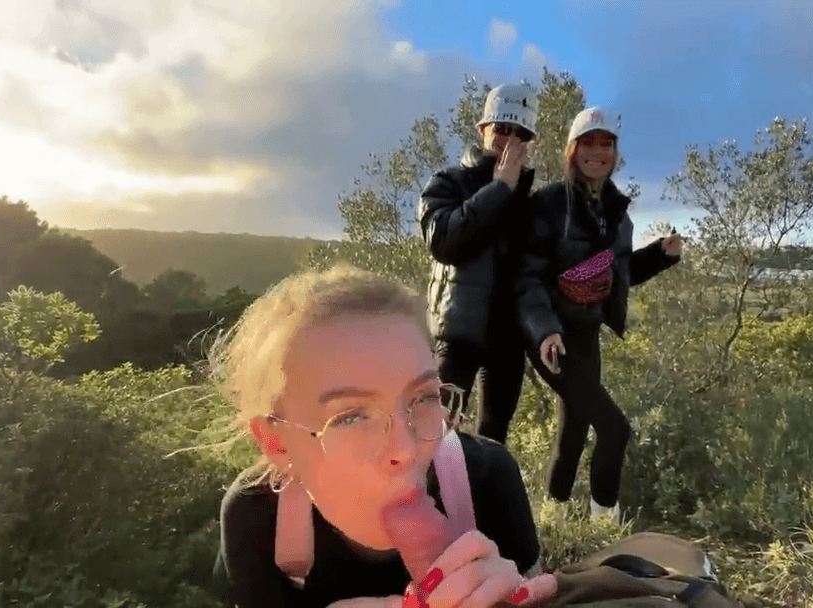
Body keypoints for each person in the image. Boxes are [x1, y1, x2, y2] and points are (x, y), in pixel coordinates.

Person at [211, 266, 556, 608]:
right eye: (352, 417)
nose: (405, 450)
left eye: (423, 397)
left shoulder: (488, 478)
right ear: (276, 442)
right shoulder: (255, 518)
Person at [515, 107, 683, 520]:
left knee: (574, 427)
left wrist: (659, 255)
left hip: (586, 333)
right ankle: (603, 525)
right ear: (572, 150)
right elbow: (528, 279)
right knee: (615, 428)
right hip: (553, 337)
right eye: (588, 142)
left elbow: (618, 274)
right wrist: (543, 331)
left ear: (614, 152)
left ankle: (552, 519)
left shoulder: (616, 214)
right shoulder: (550, 204)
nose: (597, 151)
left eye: (605, 143)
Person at [418, 83, 537, 444]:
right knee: (433, 435)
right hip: (456, 338)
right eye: (502, 129)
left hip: (508, 344)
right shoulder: (448, 182)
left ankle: (477, 502)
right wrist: (499, 187)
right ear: (482, 130)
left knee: (493, 444)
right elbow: (443, 242)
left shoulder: (530, 201)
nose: (509, 141)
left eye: (520, 133)